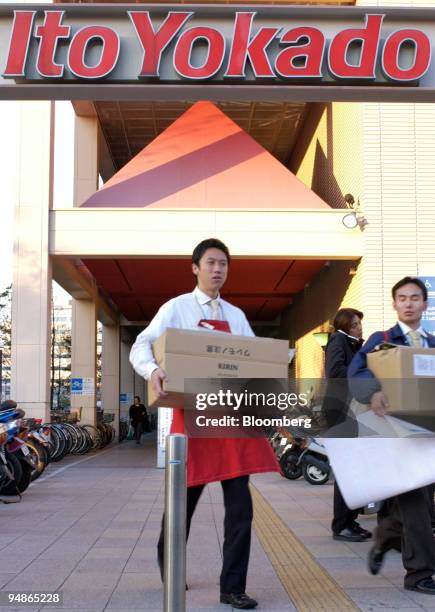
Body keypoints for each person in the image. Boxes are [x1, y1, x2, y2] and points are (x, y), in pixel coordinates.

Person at [129, 238, 280, 610]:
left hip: (232, 421)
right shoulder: (176, 308)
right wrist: (154, 370)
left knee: (241, 509)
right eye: (211, 262)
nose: (218, 270)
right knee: (181, 506)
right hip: (193, 420)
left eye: (224, 264)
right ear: (195, 267)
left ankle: (232, 587)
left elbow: (253, 361)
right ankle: (170, 563)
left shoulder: (236, 316)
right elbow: (140, 346)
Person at [348, 276, 435, 594]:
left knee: (423, 503)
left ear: (424, 304)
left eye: (415, 297)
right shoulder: (382, 339)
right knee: (416, 503)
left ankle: (386, 535)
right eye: (402, 298)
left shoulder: (432, 344)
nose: (409, 303)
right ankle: (420, 574)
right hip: (397, 434)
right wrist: (373, 393)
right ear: (395, 304)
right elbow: (356, 374)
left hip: (429, 435)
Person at [323, 308, 371, 542]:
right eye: (354, 324)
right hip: (340, 413)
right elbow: (334, 371)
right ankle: (341, 525)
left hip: (352, 412)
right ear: (343, 326)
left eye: (360, 323)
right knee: (346, 469)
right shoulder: (337, 340)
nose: (359, 327)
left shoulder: (353, 343)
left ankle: (350, 521)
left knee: (355, 469)